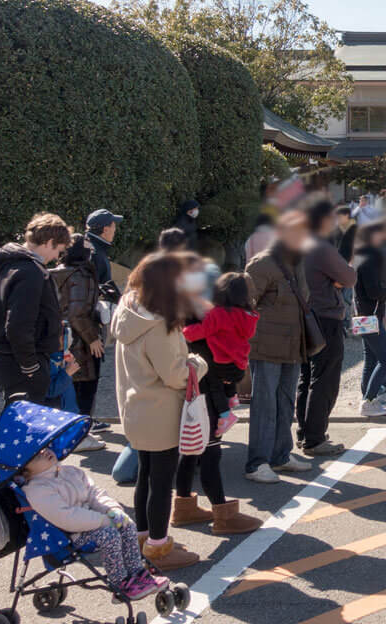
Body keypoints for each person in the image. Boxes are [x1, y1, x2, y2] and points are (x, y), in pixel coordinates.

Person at [111, 251, 207, 571]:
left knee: (146, 478)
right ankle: (158, 548)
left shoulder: (129, 308)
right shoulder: (159, 324)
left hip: (135, 408)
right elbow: (176, 375)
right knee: (161, 483)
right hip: (161, 411)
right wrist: (197, 363)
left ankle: (144, 538)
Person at [171, 268, 264, 537]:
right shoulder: (235, 316)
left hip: (195, 392)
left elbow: (192, 339)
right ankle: (222, 514)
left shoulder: (197, 319)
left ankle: (184, 506)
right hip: (208, 394)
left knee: (190, 453)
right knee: (211, 453)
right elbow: (211, 370)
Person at [19, 445, 167, 599]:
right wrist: (103, 520)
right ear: (26, 471)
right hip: (70, 536)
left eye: (44, 447)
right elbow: (67, 517)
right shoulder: (37, 489)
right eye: (36, 455)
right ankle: (120, 583)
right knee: (109, 534)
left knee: (126, 524)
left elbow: (95, 494)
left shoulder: (70, 472)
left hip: (92, 523)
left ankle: (137, 573)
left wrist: (112, 510)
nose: (44, 451)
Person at [242, 211, 314, 483]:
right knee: (264, 404)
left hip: (292, 345)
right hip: (266, 346)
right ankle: (256, 463)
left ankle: (281, 455)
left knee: (285, 402)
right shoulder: (262, 264)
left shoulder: (297, 264)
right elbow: (246, 304)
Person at [0, 213, 72, 403]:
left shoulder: (5, 267)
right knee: (29, 427)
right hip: (22, 365)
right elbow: (18, 324)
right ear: (49, 242)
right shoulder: (31, 272)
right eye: (59, 250)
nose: (57, 257)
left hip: (4, 359)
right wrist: (31, 366)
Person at [298, 199, 355, 458]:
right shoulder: (322, 247)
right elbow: (349, 277)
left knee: (307, 378)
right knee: (325, 379)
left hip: (304, 316)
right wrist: (337, 280)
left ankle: (304, 432)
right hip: (325, 316)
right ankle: (315, 437)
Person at [50, 233, 106, 420]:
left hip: (62, 340)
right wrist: (93, 338)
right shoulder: (82, 275)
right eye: (90, 250)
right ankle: (82, 431)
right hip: (82, 342)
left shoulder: (56, 273)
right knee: (86, 389)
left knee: (66, 388)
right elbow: (78, 312)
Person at [353, 222, 386, 416]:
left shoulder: (362, 257)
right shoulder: (369, 260)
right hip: (371, 316)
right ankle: (369, 401)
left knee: (371, 359)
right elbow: (373, 290)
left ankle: (368, 399)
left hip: (363, 316)